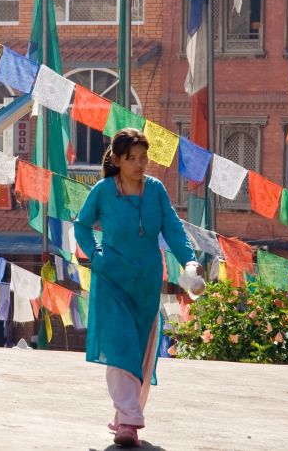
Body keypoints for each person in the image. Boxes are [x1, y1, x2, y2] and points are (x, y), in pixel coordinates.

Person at [74, 128, 204, 447]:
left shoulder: (156, 190)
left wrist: (189, 262)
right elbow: (81, 225)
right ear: (117, 160)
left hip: (146, 281)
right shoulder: (104, 190)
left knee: (142, 350)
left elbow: (173, 229)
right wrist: (95, 255)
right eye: (132, 158)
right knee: (120, 347)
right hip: (112, 278)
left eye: (144, 157)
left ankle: (125, 415)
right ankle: (130, 422)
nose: (139, 163)